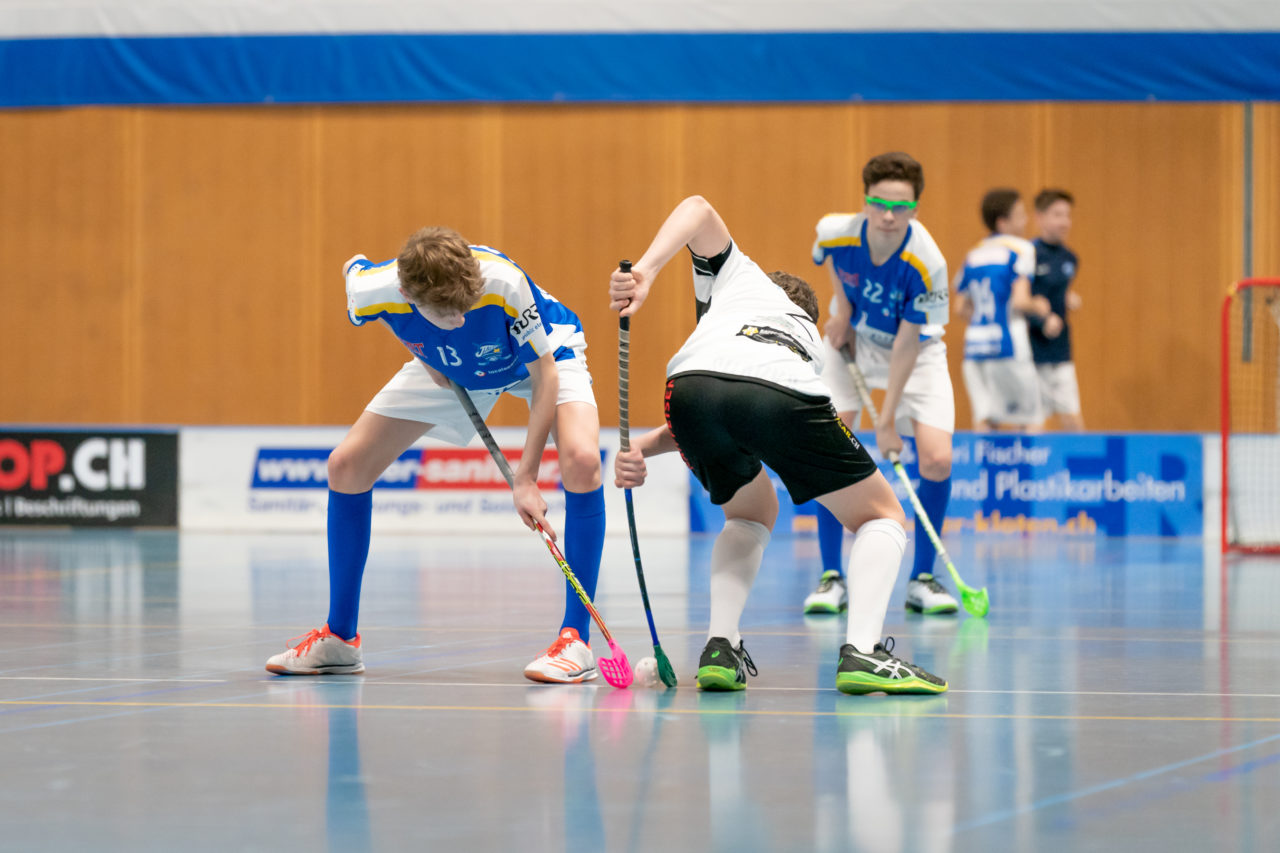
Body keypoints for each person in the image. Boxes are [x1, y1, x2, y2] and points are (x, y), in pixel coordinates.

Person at [611, 195, 946, 695]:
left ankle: (719, 647)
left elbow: (700, 208)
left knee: (749, 513)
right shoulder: (804, 334)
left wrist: (646, 270)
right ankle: (863, 653)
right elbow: (761, 402)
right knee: (881, 517)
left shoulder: (730, 284)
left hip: (688, 391)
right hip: (779, 395)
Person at [265, 226, 608, 683]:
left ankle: (575, 640)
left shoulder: (503, 283)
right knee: (345, 466)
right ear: (406, 293)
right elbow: (353, 271)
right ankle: (340, 638)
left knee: (583, 460)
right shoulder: (377, 289)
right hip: (451, 364)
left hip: (544, 355)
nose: (461, 318)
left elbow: (545, 377)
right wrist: (424, 351)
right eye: (446, 312)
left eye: (465, 306)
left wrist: (525, 478)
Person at [803, 152, 959, 617]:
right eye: (880, 204)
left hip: (914, 352)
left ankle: (923, 579)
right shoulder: (836, 230)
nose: (889, 216)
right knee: (826, 446)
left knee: (936, 457)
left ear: (916, 208)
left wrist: (888, 421)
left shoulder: (927, 263)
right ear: (865, 201)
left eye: (902, 207)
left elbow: (909, 343)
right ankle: (832, 576)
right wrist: (844, 311)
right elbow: (828, 259)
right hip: (851, 341)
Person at [956, 188, 1059, 431]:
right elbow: (1021, 301)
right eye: (1020, 215)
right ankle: (1030, 470)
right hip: (1008, 343)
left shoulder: (973, 254)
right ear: (1003, 222)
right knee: (1031, 419)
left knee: (984, 418)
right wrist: (1041, 307)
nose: (1025, 221)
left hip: (975, 346)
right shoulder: (1021, 249)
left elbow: (960, 307)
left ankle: (986, 470)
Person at [1030, 188, 1085, 431]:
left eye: (1067, 215)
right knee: (1034, 422)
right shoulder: (1027, 254)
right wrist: (1042, 319)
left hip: (1060, 350)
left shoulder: (1070, 259)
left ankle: (1083, 469)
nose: (1065, 222)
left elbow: (1054, 290)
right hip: (1032, 350)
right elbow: (1020, 300)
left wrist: (1067, 298)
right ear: (1039, 218)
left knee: (1072, 418)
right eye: (1057, 215)